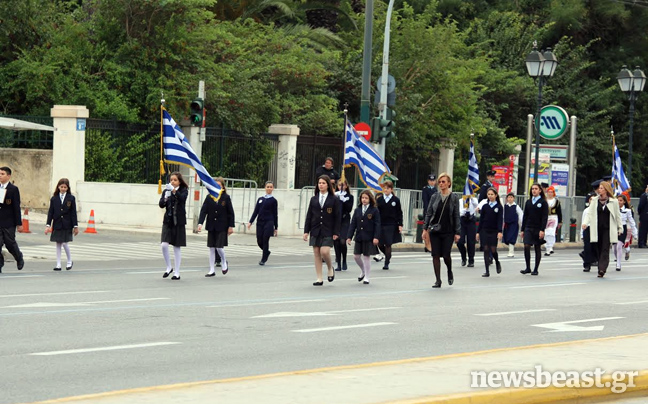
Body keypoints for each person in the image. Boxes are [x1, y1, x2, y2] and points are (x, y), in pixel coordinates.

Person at [422, 173, 461, 288]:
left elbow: (456, 216)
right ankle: (438, 280)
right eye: (440, 182)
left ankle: (449, 270)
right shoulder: (434, 196)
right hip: (435, 230)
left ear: (449, 183)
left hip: (448, 231)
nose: (441, 184)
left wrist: (457, 232)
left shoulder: (454, 197)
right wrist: (425, 229)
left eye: (443, 181)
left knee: (446, 255)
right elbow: (429, 213)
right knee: (435, 255)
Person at [303, 175, 341, 286]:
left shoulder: (334, 199)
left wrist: (336, 232)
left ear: (328, 185)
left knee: (324, 251)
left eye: (323, 183)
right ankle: (319, 278)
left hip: (328, 229)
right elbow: (309, 215)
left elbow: (337, 217)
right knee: (316, 252)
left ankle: (330, 268)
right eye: (319, 183)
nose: (321, 185)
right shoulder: (314, 199)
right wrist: (306, 231)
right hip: (315, 229)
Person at [582, 181, 623, 278]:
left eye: (601, 188)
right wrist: (585, 223)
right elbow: (590, 213)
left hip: (608, 229)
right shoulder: (594, 201)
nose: (599, 190)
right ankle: (599, 265)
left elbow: (617, 216)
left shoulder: (614, 201)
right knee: (597, 247)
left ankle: (602, 268)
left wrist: (620, 228)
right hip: (596, 228)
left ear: (606, 189)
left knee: (605, 248)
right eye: (599, 188)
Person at [197, 177, 235, 277]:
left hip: (222, 225)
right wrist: (200, 223)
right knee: (211, 248)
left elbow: (230, 213)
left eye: (219, 185)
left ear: (223, 186)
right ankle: (211, 269)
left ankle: (223, 261)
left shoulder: (225, 197)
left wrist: (231, 226)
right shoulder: (209, 197)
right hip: (211, 225)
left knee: (219, 247)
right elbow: (203, 210)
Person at [347, 190, 381, 284]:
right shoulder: (357, 210)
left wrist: (376, 237)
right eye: (362, 198)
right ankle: (363, 270)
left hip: (369, 236)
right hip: (359, 236)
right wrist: (349, 236)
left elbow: (377, 224)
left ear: (370, 199)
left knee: (366, 256)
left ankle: (367, 276)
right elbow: (353, 223)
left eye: (366, 198)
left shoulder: (374, 210)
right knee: (356, 256)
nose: (364, 200)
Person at [159, 171, 188, 280]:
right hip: (168, 220)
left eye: (175, 180)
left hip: (178, 221)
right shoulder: (167, 190)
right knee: (164, 245)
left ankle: (177, 272)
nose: (172, 182)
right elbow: (161, 205)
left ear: (179, 181)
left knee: (176, 247)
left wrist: (174, 191)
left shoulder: (183, 190)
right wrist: (165, 198)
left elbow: (182, 199)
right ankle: (168, 266)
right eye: (171, 180)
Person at [45, 178, 79, 271]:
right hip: (57, 223)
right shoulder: (54, 198)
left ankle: (69, 261)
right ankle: (58, 264)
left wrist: (75, 226)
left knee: (64, 243)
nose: (63, 189)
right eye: (61, 187)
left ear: (68, 188)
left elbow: (73, 213)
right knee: (58, 244)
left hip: (67, 224)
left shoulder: (71, 198)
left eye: (65, 187)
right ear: (58, 187)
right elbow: (50, 212)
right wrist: (48, 225)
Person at [520, 183, 548, 276]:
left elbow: (544, 217)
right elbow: (525, 216)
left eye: (536, 189)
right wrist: (522, 229)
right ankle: (528, 267)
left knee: (537, 247)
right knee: (526, 246)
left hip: (538, 228)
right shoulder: (528, 202)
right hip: (528, 226)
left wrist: (542, 229)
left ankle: (536, 269)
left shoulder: (543, 202)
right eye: (532, 189)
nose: (534, 190)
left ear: (540, 190)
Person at [248, 181, 279, 265]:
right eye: (267, 187)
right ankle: (266, 252)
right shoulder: (260, 199)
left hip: (269, 222)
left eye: (270, 187)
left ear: (273, 188)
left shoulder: (274, 201)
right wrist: (250, 221)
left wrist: (276, 227)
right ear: (265, 188)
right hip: (260, 222)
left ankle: (263, 259)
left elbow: (275, 214)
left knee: (265, 240)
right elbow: (256, 212)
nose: (269, 188)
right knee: (259, 240)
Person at [0, 166, 24, 273]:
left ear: (8, 176)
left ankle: (18, 257)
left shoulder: (13, 189)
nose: (0, 176)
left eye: (2, 174)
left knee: (10, 243)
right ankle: (0, 264)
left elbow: (16, 207)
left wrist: (19, 223)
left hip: (9, 222)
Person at [375, 180, 403, 270]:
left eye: (387, 188)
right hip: (381, 224)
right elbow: (376, 212)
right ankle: (386, 254)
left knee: (388, 244)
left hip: (391, 224)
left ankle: (386, 262)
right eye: (384, 188)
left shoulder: (395, 200)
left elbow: (399, 213)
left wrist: (400, 224)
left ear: (391, 189)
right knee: (379, 243)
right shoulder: (379, 200)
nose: (386, 190)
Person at [476, 187, 503, 277]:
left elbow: (500, 220)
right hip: (484, 230)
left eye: (492, 194)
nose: (490, 196)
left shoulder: (499, 207)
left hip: (494, 230)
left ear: (496, 195)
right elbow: (481, 220)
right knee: (486, 249)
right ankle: (487, 270)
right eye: (489, 194)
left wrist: (500, 231)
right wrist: (478, 232)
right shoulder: (485, 206)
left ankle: (497, 261)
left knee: (493, 249)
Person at [334, 179, 354, 271]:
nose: (341, 187)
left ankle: (344, 260)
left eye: (343, 185)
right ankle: (338, 262)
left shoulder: (350, 197)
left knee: (342, 241)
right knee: (336, 241)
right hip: (335, 221)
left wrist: (343, 201)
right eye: (339, 185)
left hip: (345, 220)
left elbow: (349, 209)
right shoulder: (334, 196)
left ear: (346, 186)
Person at [614, 194, 637, 270]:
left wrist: (635, 233)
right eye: (618, 200)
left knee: (619, 245)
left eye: (621, 200)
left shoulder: (627, 211)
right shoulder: (613, 209)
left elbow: (631, 222)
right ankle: (624, 252)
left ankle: (618, 264)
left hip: (623, 228)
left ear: (624, 202)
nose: (619, 202)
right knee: (614, 247)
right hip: (614, 228)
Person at [457, 195, 478, 267]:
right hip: (462, 220)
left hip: (471, 220)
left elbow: (476, 205)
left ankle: (471, 260)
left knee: (471, 241)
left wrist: (471, 198)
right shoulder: (460, 201)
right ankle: (463, 257)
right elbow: (459, 211)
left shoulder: (474, 200)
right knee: (460, 241)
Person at [580, 193, 597, 272]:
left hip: (596, 229)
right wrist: (581, 234)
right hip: (587, 228)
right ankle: (587, 265)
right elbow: (583, 222)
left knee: (595, 246)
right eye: (590, 199)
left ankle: (596, 260)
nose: (592, 201)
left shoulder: (599, 209)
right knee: (587, 247)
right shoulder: (586, 210)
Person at [503, 193, 523, 258]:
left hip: (513, 224)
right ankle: (510, 250)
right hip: (507, 224)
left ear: (514, 198)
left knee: (511, 237)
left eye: (511, 197)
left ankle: (511, 252)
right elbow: (503, 215)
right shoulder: (505, 206)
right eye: (509, 197)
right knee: (507, 238)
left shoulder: (516, 206)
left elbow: (520, 215)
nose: (510, 199)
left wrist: (521, 224)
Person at [544, 186, 562, 256]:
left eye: (551, 192)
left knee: (551, 232)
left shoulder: (556, 201)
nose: (550, 193)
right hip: (546, 218)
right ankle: (547, 246)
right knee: (546, 232)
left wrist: (560, 221)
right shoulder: (544, 200)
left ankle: (549, 247)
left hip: (554, 217)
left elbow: (559, 212)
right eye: (549, 192)